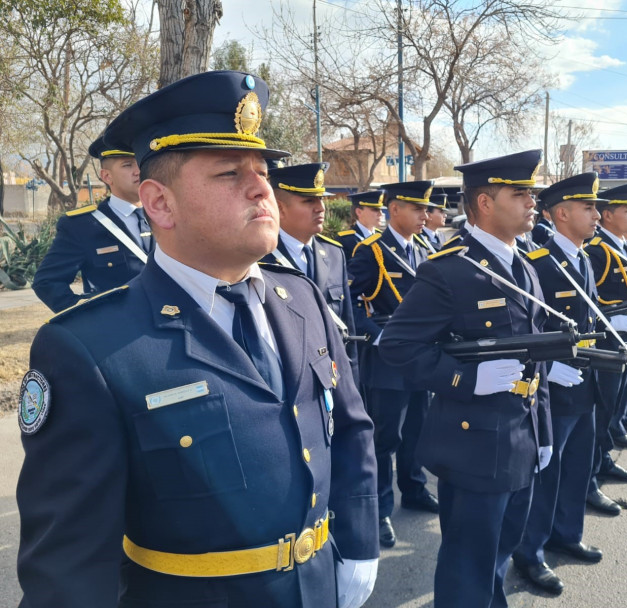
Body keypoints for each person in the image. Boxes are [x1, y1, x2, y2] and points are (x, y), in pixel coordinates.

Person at [17, 70, 379, 608]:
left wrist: (359, 544)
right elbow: (69, 566)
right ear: (160, 204)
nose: (262, 187)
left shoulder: (300, 299)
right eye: (229, 173)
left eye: (262, 170)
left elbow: (349, 429)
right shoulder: (88, 349)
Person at [379, 149, 552, 608]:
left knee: (499, 551)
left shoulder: (527, 267)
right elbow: (397, 346)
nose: (532, 202)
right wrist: (467, 380)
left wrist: (545, 433)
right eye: (520, 194)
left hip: (522, 437)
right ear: (484, 204)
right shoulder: (450, 270)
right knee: (467, 565)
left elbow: (535, 358)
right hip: (474, 444)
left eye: (531, 193)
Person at [513, 172, 605, 596]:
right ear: (562, 213)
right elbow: (524, 333)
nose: (596, 215)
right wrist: (547, 369)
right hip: (553, 387)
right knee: (546, 474)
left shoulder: (584, 258)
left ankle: (567, 532)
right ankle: (530, 551)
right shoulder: (538, 265)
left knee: (578, 465)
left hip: (583, 381)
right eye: (588, 208)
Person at [347, 180, 439, 549]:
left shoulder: (422, 248)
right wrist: (377, 335)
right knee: (385, 437)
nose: (424, 216)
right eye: (417, 209)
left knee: (417, 426)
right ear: (394, 210)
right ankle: (381, 506)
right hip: (386, 358)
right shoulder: (371, 251)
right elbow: (350, 302)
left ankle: (414, 488)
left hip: (421, 354)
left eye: (425, 209)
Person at [262, 162, 358, 383]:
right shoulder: (258, 257)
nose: (321, 208)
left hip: (334, 376)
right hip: (289, 381)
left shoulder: (333, 254)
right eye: (308, 201)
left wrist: (352, 385)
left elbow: (347, 328)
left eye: (321, 199)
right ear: (279, 208)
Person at [32, 137, 151, 312]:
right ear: (106, 176)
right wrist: (90, 315)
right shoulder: (83, 225)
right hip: (123, 331)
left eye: (141, 163)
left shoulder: (169, 215)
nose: (138, 171)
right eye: (128, 165)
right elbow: (47, 281)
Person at [583, 183, 627, 516]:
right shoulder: (596, 250)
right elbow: (585, 306)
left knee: (615, 407)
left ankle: (603, 458)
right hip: (605, 343)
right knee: (601, 411)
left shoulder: (624, 246)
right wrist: (611, 322)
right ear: (607, 215)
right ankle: (589, 476)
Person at [337, 190, 385, 259]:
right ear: (359, 212)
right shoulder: (344, 241)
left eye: (380, 209)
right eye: (375, 209)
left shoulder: (382, 237)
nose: (380, 214)